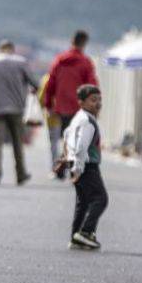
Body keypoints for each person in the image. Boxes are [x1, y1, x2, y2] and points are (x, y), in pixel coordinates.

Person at [0, 40, 38, 185]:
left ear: (0, 49)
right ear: (13, 49)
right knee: (17, 141)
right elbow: (34, 83)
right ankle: (21, 174)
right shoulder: (21, 63)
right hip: (16, 108)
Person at [59, 85, 108, 250]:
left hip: (77, 163)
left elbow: (67, 134)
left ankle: (76, 236)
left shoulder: (79, 117)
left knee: (84, 202)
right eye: (93, 100)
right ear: (81, 102)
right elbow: (81, 146)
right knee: (100, 199)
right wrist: (78, 168)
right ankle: (85, 232)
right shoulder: (88, 121)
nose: (98, 103)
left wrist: (68, 159)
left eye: (99, 100)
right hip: (86, 165)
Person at [44, 30, 100, 134]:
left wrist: (48, 105)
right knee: (78, 137)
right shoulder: (85, 62)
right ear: (84, 44)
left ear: (72, 41)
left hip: (62, 106)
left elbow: (50, 83)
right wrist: (95, 107)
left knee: (66, 135)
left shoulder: (59, 60)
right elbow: (92, 86)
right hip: (80, 106)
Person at [39, 73, 65, 179]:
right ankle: (68, 166)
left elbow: (42, 96)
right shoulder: (69, 76)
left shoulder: (47, 78)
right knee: (69, 141)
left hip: (53, 114)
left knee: (54, 143)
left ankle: (55, 168)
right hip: (69, 113)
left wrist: (44, 106)